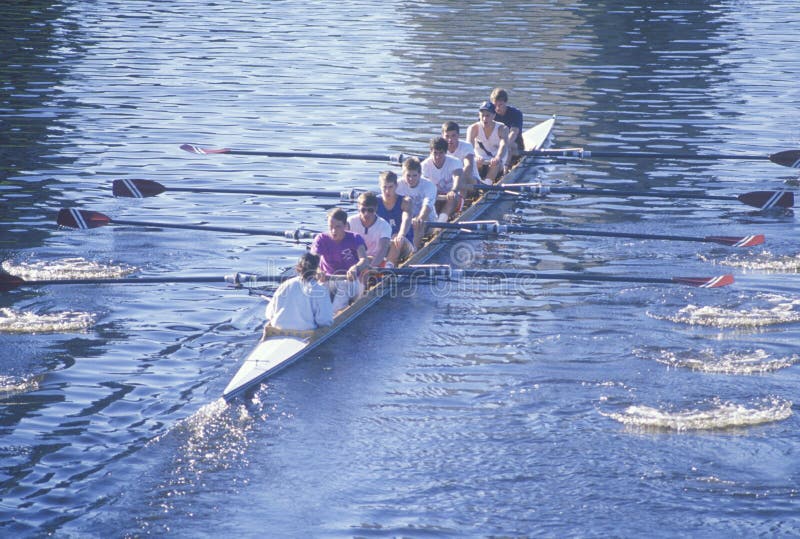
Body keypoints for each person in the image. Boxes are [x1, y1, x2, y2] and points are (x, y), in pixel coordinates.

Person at [310, 208, 369, 312]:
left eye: (338, 227)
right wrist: (318, 271)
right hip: (327, 279)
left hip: (351, 280)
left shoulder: (355, 238)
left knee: (343, 287)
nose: (333, 231)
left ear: (345, 225)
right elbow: (312, 262)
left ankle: (335, 316)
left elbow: (364, 260)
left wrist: (356, 267)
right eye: (331, 227)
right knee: (313, 296)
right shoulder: (321, 239)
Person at [262, 252, 333, 337]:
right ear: (316, 270)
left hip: (277, 330)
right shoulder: (320, 290)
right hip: (305, 334)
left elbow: (269, 314)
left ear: (298, 268)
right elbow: (325, 321)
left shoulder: (285, 284)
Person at [395, 157, 437, 250]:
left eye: (414, 175)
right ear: (403, 174)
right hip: (406, 219)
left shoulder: (429, 185)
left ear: (420, 174)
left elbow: (427, 206)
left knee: (418, 222)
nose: (411, 179)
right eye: (408, 175)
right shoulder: (397, 185)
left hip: (427, 220)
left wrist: (420, 218)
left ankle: (414, 252)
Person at [421, 136, 465, 222]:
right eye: (435, 153)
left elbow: (457, 177)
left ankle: (440, 223)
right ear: (430, 152)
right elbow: (425, 186)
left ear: (446, 152)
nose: (437, 157)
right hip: (435, 197)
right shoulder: (424, 165)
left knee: (452, 198)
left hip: (452, 197)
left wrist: (453, 190)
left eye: (441, 153)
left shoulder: (455, 162)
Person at [376, 170, 415, 266]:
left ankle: (388, 271)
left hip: (403, 242)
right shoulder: (374, 202)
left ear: (396, 186)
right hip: (383, 244)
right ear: (380, 187)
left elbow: (406, 218)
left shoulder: (405, 201)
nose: (387, 191)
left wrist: (401, 235)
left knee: (394, 240)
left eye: (390, 187)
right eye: (384, 187)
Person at [466, 101, 510, 183]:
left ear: (494, 115)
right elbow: (468, 147)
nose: (484, 119)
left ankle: (487, 184)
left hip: (495, 160)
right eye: (482, 115)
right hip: (480, 159)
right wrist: (475, 157)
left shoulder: (503, 129)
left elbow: (503, 145)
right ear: (479, 115)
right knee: (473, 163)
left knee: (495, 164)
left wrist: (498, 157)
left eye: (487, 116)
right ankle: (476, 182)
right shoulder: (473, 128)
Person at [347, 191, 392, 267]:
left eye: (370, 210)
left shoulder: (384, 226)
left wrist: (370, 268)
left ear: (376, 208)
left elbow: (382, 251)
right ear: (358, 208)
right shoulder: (350, 222)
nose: (366, 214)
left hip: (375, 261)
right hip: (355, 260)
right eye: (363, 210)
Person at [490, 87, 524, 168]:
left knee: (509, 146)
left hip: (514, 145)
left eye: (500, 105)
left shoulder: (516, 113)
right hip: (495, 144)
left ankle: (506, 168)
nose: (497, 108)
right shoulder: (488, 114)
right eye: (495, 105)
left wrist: (503, 147)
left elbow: (513, 133)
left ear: (505, 102)